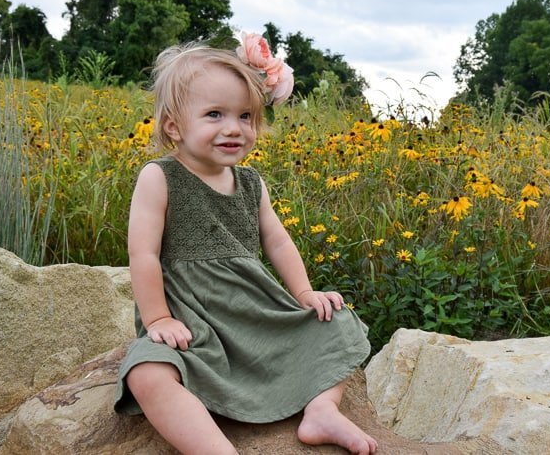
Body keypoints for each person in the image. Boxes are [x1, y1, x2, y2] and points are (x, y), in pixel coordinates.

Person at [113, 35, 377, 455]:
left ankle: (322, 409)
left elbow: (278, 241)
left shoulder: (251, 183)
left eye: (246, 116)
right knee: (146, 373)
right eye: (214, 114)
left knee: (339, 324)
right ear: (173, 126)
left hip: (254, 314)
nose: (234, 128)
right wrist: (159, 318)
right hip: (190, 322)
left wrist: (304, 293)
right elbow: (142, 254)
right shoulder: (160, 177)